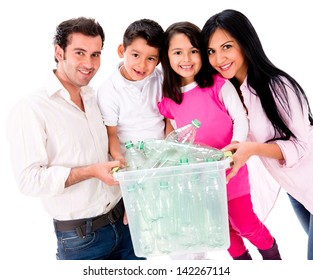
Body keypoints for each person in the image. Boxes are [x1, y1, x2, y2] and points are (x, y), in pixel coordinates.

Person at [6, 17, 144, 260]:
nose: (89, 63)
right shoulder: (31, 108)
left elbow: (114, 149)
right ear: (59, 52)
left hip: (125, 224)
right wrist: (90, 171)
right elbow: (29, 180)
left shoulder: (93, 98)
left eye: (95, 54)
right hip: (81, 240)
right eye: (80, 53)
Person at [158, 21, 281, 260]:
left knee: (245, 223)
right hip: (200, 178)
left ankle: (272, 258)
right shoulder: (169, 98)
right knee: (220, 230)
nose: (187, 58)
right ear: (167, 57)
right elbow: (171, 134)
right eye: (177, 52)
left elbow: (240, 119)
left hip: (231, 168)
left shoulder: (218, 84)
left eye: (193, 51)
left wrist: (233, 151)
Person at [201, 9, 313, 260]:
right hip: (297, 189)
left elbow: (302, 146)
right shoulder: (230, 93)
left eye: (226, 46)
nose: (219, 58)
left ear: (245, 43)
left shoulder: (278, 85)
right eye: (211, 51)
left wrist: (252, 149)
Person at [97, 19, 165, 164]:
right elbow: (112, 134)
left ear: (158, 61)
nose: (142, 64)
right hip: (130, 162)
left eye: (151, 58)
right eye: (136, 55)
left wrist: (170, 150)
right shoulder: (109, 90)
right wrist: (118, 158)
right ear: (122, 51)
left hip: (161, 160)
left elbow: (169, 118)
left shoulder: (161, 79)